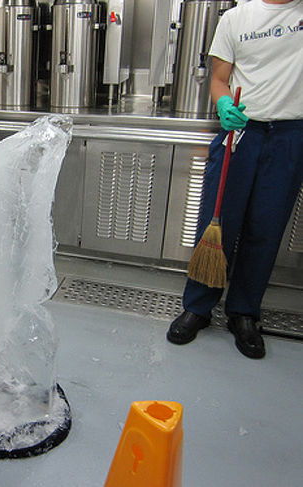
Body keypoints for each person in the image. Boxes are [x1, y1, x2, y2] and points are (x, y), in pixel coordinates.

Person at [166, 0, 303, 359]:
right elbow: (220, 79)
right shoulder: (236, 17)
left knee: (266, 228)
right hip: (243, 132)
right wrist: (224, 105)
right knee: (216, 223)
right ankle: (198, 306)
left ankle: (243, 312)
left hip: (291, 134)